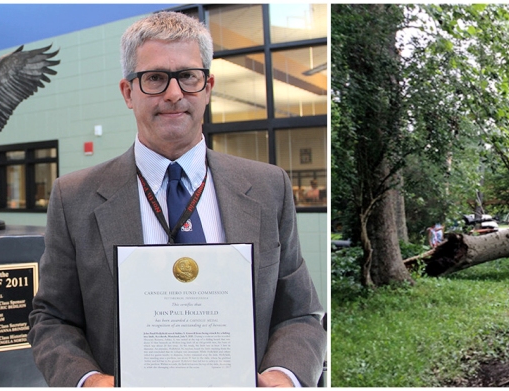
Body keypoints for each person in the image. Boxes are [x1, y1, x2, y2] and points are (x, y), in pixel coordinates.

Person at [28, 12, 324, 387]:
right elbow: (52, 318)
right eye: (154, 78)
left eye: (188, 76)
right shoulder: (74, 198)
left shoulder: (269, 188)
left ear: (208, 87)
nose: (173, 93)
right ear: (128, 92)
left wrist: (285, 376)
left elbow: (300, 315)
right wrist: (87, 380)